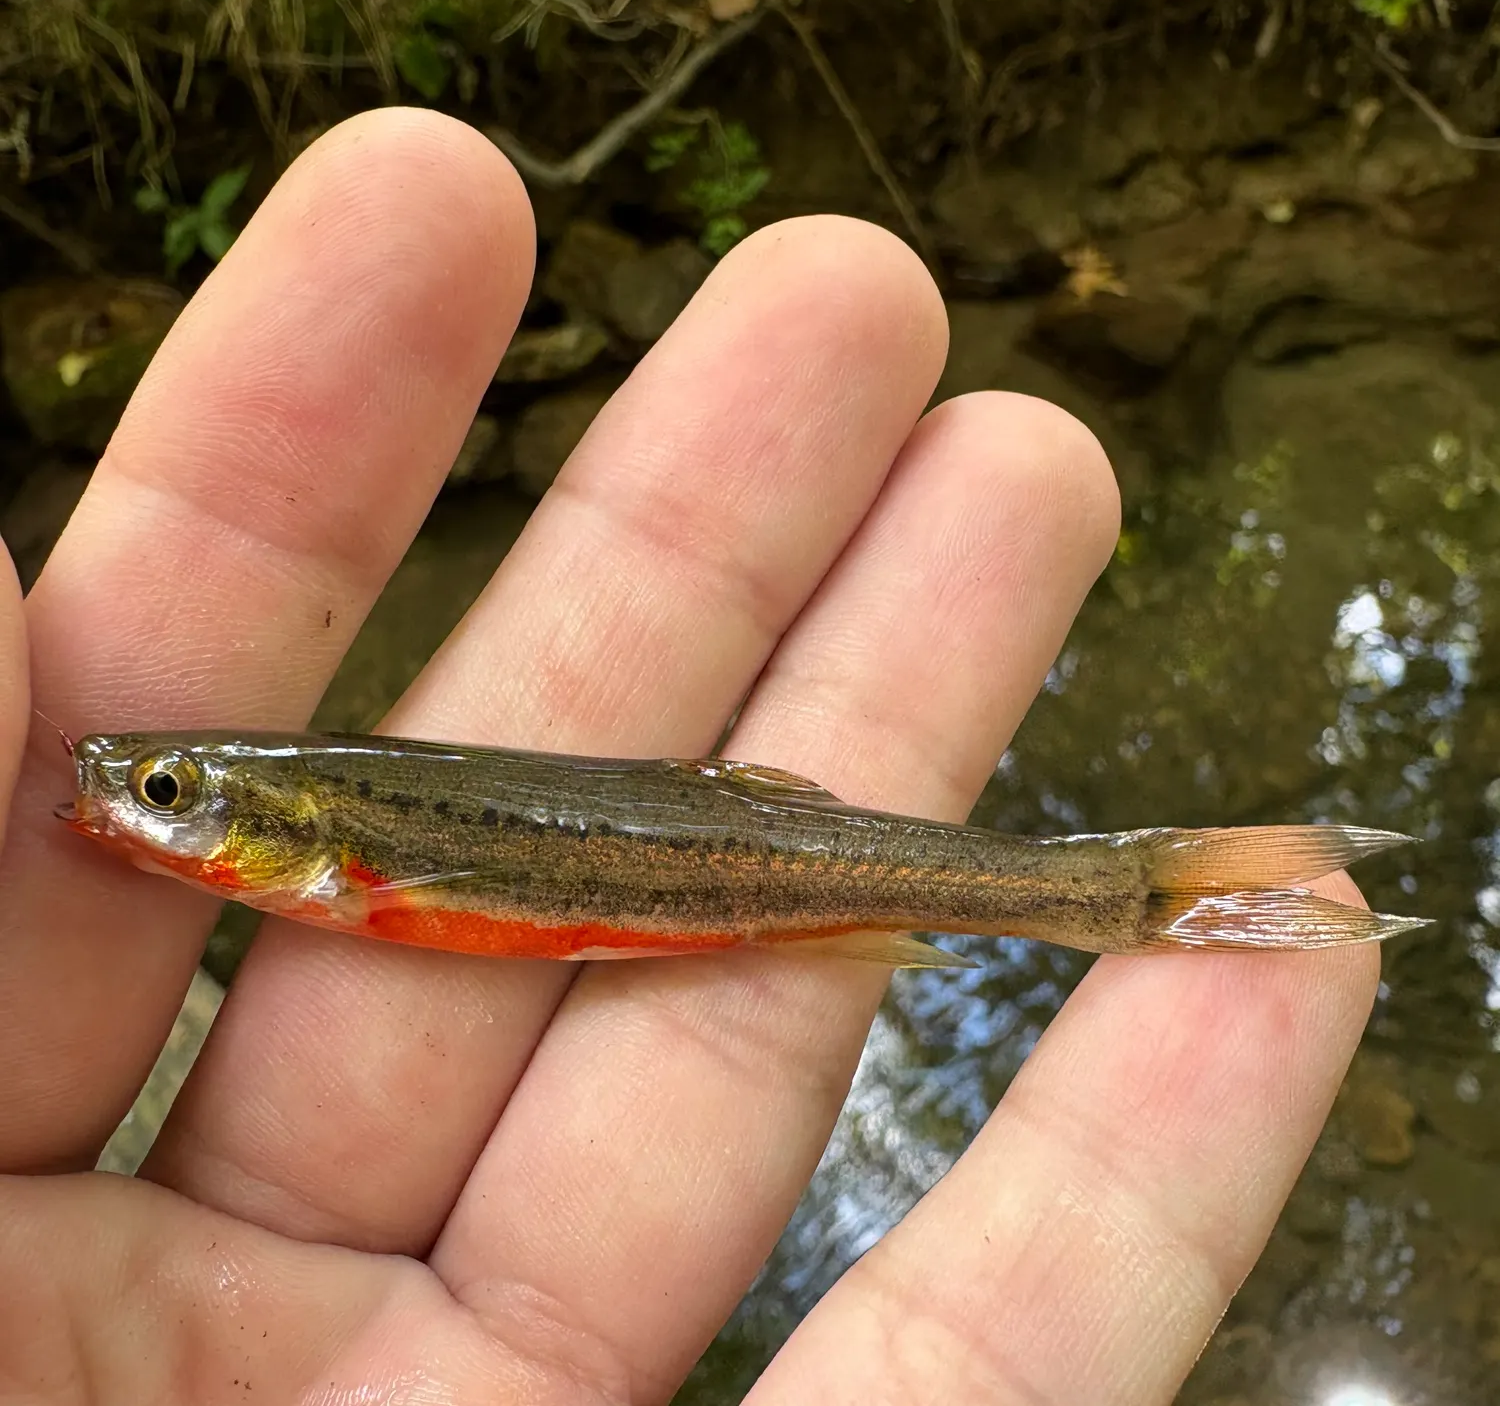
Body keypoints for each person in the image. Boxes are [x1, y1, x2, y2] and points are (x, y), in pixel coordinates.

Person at [0, 109, 1378, 1404]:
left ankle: (1119, 894)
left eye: (168, 793)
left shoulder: (341, 859)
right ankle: (1123, 894)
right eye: (160, 791)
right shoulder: (321, 859)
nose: (137, 801)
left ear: (296, 828)